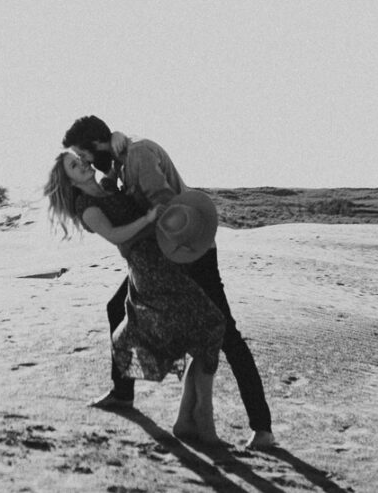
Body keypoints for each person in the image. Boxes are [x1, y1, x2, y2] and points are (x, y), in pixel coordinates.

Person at [62, 115, 277, 452]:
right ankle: (123, 393)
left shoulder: (138, 157)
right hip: (162, 256)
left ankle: (262, 428)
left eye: (84, 154)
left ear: (97, 145)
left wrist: (137, 230)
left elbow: (165, 205)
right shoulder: (118, 164)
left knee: (225, 332)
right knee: (116, 306)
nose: (86, 162)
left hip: (190, 249)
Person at [45, 149, 225, 444]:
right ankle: (202, 419)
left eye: (81, 159)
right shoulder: (86, 207)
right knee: (211, 324)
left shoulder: (105, 187)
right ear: (70, 180)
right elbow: (115, 235)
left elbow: (120, 167)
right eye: (75, 166)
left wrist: (119, 157)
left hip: (164, 258)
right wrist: (148, 218)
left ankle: (187, 419)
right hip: (147, 267)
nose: (84, 165)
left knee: (207, 329)